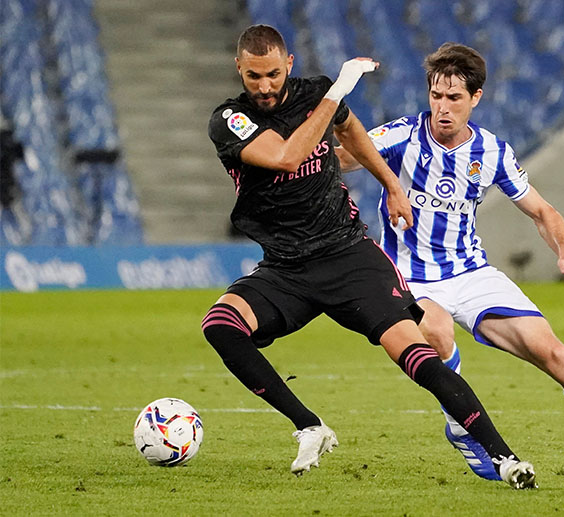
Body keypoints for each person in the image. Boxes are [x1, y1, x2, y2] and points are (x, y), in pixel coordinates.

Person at [336, 42, 564, 484]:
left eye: (454, 97)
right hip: (409, 278)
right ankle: (460, 426)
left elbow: (542, 212)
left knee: (553, 352)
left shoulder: (492, 152)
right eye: (436, 96)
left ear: (476, 97)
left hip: (472, 273)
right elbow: (342, 157)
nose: (442, 107)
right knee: (438, 330)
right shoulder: (402, 135)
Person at [203, 25, 537, 488]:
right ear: (239, 67)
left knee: (415, 353)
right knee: (221, 325)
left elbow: (353, 133)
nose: (264, 86)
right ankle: (309, 426)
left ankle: (504, 458)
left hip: (348, 255)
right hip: (286, 267)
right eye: (254, 75)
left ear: (289, 64)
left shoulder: (315, 94)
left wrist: (392, 185)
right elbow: (285, 157)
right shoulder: (230, 119)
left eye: (273, 74)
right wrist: (336, 93)